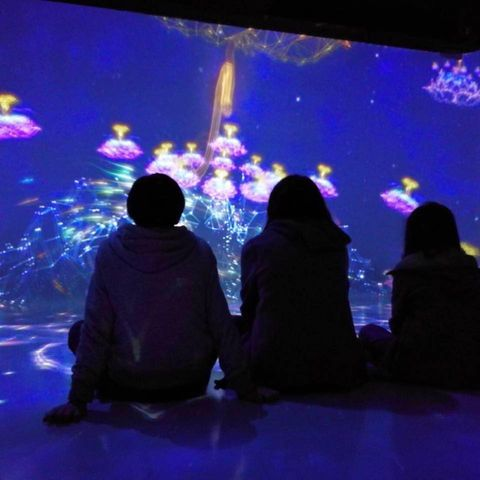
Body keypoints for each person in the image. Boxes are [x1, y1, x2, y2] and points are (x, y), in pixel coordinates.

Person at [44, 174, 276, 425]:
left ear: (132, 209)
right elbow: (221, 326)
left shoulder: (110, 251)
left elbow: (96, 328)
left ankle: (104, 388)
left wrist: (77, 400)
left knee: (79, 331)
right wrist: (246, 388)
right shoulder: (199, 251)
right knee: (234, 322)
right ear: (179, 209)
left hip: (125, 384)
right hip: (189, 383)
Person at [238, 175, 366, 391]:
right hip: (337, 368)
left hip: (275, 369)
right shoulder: (337, 247)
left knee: (225, 325)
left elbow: (249, 310)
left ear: (274, 207)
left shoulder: (259, 246)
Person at [359, 202, 480, 389]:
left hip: (416, 366)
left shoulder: (408, 271)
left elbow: (398, 325)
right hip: (469, 366)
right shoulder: (471, 271)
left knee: (368, 331)